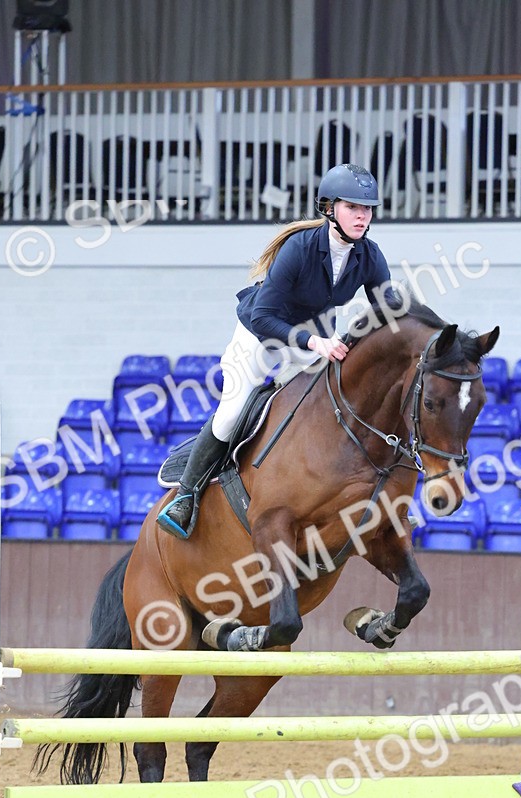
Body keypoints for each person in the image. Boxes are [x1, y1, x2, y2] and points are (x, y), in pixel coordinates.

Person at [157, 162, 391, 538]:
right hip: (262, 333)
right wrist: (313, 342)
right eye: (353, 207)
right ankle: (186, 495)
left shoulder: (370, 255)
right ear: (329, 208)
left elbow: (387, 305)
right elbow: (266, 317)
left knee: (332, 409)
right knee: (233, 412)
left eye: (367, 209)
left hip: (314, 337)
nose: (362, 216)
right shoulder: (299, 248)